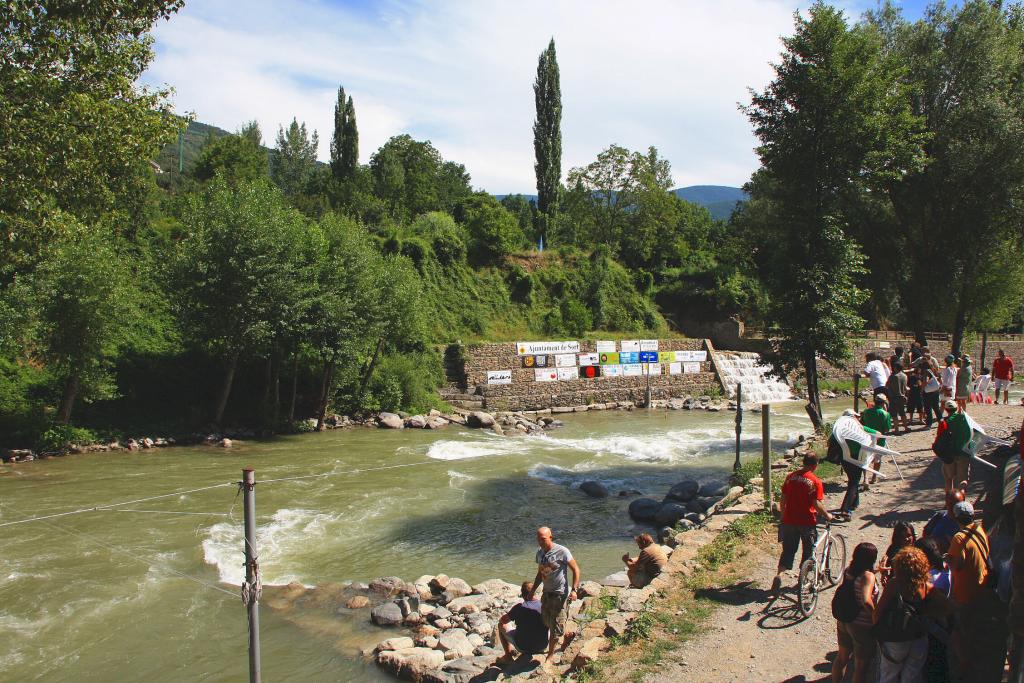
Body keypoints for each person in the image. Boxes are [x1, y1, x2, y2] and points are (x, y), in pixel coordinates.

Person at [946, 501, 1000, 682]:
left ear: (955, 517)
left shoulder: (958, 538)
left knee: (960, 630)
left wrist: (947, 558)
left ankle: (964, 666)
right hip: (981, 588)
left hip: (964, 592)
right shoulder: (979, 529)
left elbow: (957, 565)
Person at [771, 453, 833, 594]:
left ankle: (779, 574)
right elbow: (816, 503)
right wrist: (827, 515)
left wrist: (782, 515)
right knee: (808, 551)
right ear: (815, 464)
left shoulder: (790, 477)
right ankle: (802, 576)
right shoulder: (815, 481)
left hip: (789, 520)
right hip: (806, 522)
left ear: (803, 462)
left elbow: (783, 498)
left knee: (788, 550)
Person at [873, 546, 933, 682]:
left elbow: (878, 611)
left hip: (895, 637)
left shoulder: (895, 584)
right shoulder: (926, 585)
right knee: (912, 676)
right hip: (919, 636)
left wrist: (877, 632)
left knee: (889, 675)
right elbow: (945, 607)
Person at [528, 526, 581, 664]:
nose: (540, 541)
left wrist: (574, 589)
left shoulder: (562, 551)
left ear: (550, 537)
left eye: (543, 539)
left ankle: (550, 655)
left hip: (560, 594)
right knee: (546, 621)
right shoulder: (540, 553)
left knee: (556, 626)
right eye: (538, 539)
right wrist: (533, 590)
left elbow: (575, 569)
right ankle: (567, 637)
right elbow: (540, 573)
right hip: (546, 593)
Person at [832, 542, 879, 683]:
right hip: (861, 625)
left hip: (844, 620)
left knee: (842, 658)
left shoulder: (849, 571)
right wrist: (876, 615)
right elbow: (865, 600)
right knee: (860, 667)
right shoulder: (867, 577)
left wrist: (878, 571)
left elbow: (861, 579)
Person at [496, 582, 548, 664]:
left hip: (523, 647)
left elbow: (503, 620)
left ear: (523, 595)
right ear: (535, 593)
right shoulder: (544, 607)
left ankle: (508, 656)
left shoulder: (519, 608)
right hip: (542, 646)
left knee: (501, 625)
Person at [935, 401, 972, 493]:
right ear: (957, 408)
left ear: (946, 410)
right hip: (963, 452)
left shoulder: (943, 422)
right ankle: (961, 500)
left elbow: (939, 437)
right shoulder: (965, 419)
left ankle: (949, 502)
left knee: (948, 479)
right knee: (962, 480)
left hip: (949, 454)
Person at [860, 395, 892, 489]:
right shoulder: (886, 414)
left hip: (866, 438)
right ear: (884, 403)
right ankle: (874, 477)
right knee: (877, 459)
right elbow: (887, 429)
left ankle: (865, 478)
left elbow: (862, 423)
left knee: (865, 458)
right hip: (880, 440)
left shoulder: (866, 411)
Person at [922, 488, 966, 553]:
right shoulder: (940, 516)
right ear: (947, 503)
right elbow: (925, 533)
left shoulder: (965, 523)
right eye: (951, 504)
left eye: (957, 504)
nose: (954, 507)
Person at [878, 521, 917, 585]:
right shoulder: (893, 549)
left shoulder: (919, 549)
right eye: (902, 536)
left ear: (913, 535)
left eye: (909, 535)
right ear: (897, 538)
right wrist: (884, 573)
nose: (906, 539)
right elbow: (885, 565)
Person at [886, 362, 910, 434]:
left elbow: (887, 385)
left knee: (894, 415)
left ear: (896, 368)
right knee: (902, 413)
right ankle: (906, 427)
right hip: (902, 397)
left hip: (894, 397)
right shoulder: (905, 375)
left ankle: (897, 430)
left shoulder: (893, 376)